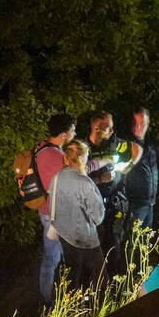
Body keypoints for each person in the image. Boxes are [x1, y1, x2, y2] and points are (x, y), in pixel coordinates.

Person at [86, 111, 142, 270]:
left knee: (114, 245)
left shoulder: (114, 143)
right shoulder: (83, 148)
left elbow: (137, 149)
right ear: (96, 127)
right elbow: (75, 176)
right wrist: (100, 179)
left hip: (113, 203)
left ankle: (114, 277)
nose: (112, 131)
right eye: (108, 127)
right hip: (91, 205)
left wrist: (129, 166)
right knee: (93, 248)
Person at [50, 140, 107, 294]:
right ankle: (102, 304)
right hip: (85, 237)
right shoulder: (84, 182)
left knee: (72, 274)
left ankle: (70, 304)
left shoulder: (57, 177)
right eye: (87, 156)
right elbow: (98, 216)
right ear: (81, 158)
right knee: (100, 277)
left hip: (65, 235)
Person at [35, 113, 76, 305]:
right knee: (56, 258)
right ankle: (51, 301)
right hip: (56, 215)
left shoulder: (41, 148)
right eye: (72, 130)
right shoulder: (56, 156)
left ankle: (47, 298)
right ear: (64, 134)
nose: (75, 133)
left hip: (46, 211)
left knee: (52, 256)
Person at [124, 107, 159, 239]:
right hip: (135, 202)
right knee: (132, 239)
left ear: (148, 123)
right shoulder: (127, 145)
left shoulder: (151, 144)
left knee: (146, 240)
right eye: (135, 123)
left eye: (142, 124)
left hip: (150, 201)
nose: (138, 128)